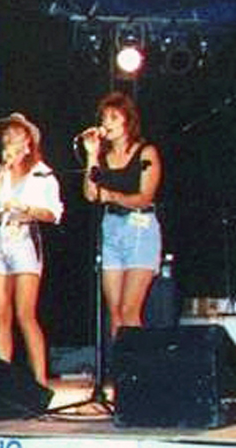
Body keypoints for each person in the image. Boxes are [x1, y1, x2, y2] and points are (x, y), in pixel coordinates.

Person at [0, 112, 63, 386]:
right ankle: (3, 381)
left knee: (25, 313)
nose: (10, 138)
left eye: (16, 134)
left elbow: (53, 213)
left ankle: (40, 381)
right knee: (0, 313)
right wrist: (5, 168)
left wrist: (26, 208)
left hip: (25, 237)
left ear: (28, 141)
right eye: (6, 135)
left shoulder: (42, 172)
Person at [80, 91, 163, 338]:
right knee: (114, 311)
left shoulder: (146, 152)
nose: (107, 123)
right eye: (104, 118)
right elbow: (90, 194)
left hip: (140, 226)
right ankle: (119, 361)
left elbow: (145, 196)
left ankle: (135, 362)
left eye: (114, 117)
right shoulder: (102, 157)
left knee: (129, 310)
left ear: (128, 121)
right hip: (111, 227)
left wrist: (113, 196)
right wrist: (91, 154)